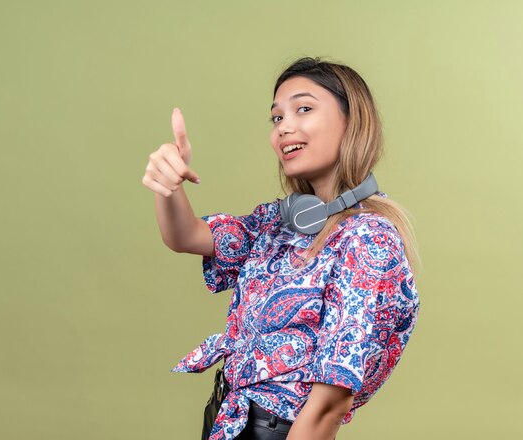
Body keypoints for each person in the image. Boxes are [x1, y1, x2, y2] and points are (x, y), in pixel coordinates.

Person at [142, 57, 420, 440]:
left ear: (352, 121)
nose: (284, 128)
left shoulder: (368, 240)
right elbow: (186, 236)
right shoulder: (277, 223)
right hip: (229, 422)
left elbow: (328, 405)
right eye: (277, 118)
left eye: (303, 109)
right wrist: (168, 186)